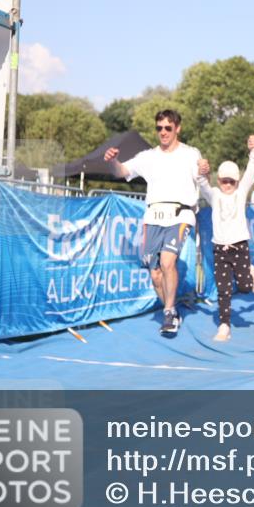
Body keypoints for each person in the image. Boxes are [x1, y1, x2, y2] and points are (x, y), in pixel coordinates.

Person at [104, 109, 207, 337]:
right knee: (155, 275)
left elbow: (202, 177)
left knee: (169, 262)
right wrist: (114, 161)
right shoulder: (148, 156)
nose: (163, 132)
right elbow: (122, 172)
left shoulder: (190, 153)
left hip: (180, 214)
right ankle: (171, 309)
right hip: (153, 217)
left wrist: (205, 172)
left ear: (177, 128)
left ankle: (169, 311)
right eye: (159, 128)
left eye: (168, 128)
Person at [198, 158, 254, 342]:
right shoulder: (215, 195)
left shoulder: (241, 193)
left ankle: (251, 274)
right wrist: (202, 170)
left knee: (244, 287)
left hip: (240, 247)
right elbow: (202, 183)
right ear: (218, 181)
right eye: (224, 181)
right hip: (220, 249)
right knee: (223, 290)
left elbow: (251, 173)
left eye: (231, 181)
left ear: (237, 182)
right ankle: (224, 325)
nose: (227, 185)